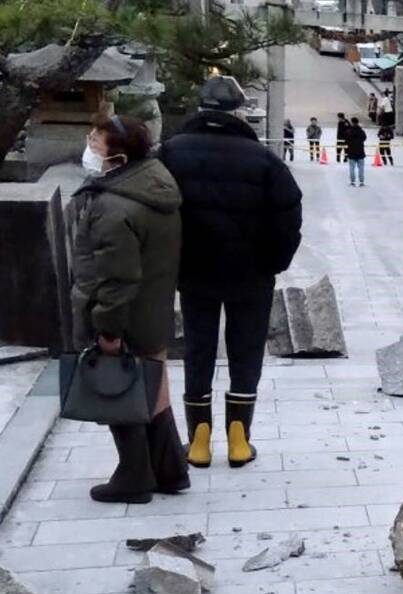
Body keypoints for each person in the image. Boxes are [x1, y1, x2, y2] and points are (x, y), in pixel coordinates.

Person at [159, 75, 302, 470]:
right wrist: (274, 262)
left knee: (198, 348)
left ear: (201, 108)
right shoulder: (265, 161)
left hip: (194, 270)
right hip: (251, 274)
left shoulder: (170, 153)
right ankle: (239, 438)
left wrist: (172, 260)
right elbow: (289, 217)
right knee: (245, 350)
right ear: (239, 112)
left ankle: (199, 439)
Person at [69, 114, 189, 503]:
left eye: (95, 142)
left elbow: (116, 277)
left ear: (117, 158)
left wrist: (107, 330)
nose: (89, 146)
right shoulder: (155, 186)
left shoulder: (115, 206)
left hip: (126, 316)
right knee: (154, 391)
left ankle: (133, 476)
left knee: (118, 388)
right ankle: (170, 470)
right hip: (153, 309)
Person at [345, 116, 367, 186]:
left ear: (352, 122)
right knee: (361, 168)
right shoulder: (361, 131)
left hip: (351, 151)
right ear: (357, 123)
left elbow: (346, 140)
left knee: (352, 168)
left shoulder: (348, 131)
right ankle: (361, 181)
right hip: (360, 151)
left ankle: (352, 181)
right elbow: (364, 138)